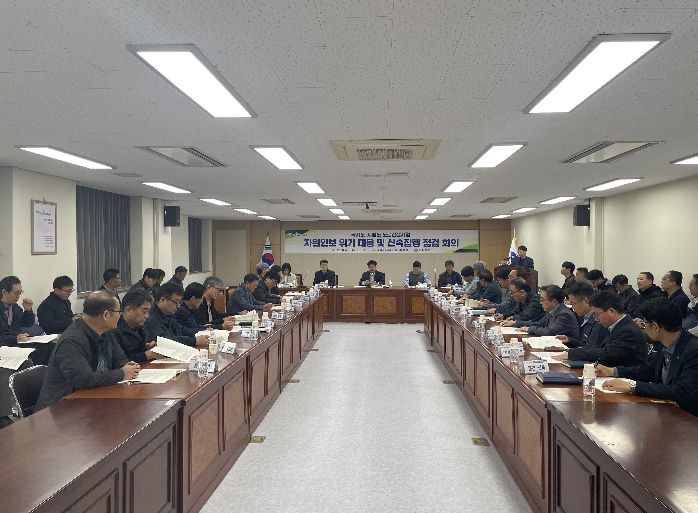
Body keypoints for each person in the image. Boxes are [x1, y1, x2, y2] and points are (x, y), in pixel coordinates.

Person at [35, 291, 140, 410]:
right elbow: (85, 379)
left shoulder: (106, 331)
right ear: (106, 315)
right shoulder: (72, 341)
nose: (120, 316)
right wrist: (122, 373)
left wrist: (129, 367)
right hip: (60, 408)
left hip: (92, 398)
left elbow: (120, 359)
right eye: (119, 312)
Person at [596, 298, 698, 417]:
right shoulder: (665, 343)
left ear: (655, 327)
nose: (643, 328)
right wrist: (613, 371)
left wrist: (633, 386)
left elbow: (682, 391)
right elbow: (649, 371)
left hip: (688, 418)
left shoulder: (693, 350)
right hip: (666, 411)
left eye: (644, 324)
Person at [553, 290, 648, 367]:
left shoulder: (627, 330)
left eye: (597, 314)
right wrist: (571, 345)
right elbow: (599, 348)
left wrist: (572, 353)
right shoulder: (616, 325)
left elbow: (607, 354)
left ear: (611, 311)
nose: (596, 318)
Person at [144, 283, 209, 347]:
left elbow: (181, 329)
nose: (178, 306)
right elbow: (163, 341)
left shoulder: (168, 314)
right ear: (163, 300)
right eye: (176, 302)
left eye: (179, 302)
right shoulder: (150, 317)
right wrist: (194, 341)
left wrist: (203, 330)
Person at [514, 285, 579, 344]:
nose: (540, 302)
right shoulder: (551, 311)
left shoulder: (564, 315)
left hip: (566, 349)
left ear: (554, 302)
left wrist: (530, 329)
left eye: (542, 300)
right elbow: (539, 323)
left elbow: (549, 332)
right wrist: (517, 323)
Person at [559, 282, 608, 348]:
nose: (572, 307)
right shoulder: (583, 316)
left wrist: (569, 352)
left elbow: (591, 349)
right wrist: (569, 340)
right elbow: (584, 343)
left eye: (573, 303)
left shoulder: (599, 320)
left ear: (586, 301)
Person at [114, 289, 157, 362]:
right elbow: (118, 361)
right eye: (144, 311)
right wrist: (145, 355)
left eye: (148, 312)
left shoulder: (139, 326)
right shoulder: (114, 329)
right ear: (128, 310)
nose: (147, 316)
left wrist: (146, 347)